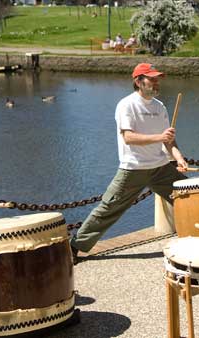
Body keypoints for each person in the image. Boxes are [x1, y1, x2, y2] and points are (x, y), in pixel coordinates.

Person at [70, 63, 189, 259]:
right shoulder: (127, 105)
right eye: (152, 79)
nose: (156, 82)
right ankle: (74, 248)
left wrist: (179, 158)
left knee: (190, 196)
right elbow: (129, 138)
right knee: (108, 209)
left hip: (160, 168)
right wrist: (160, 137)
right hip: (133, 168)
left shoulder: (160, 107)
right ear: (138, 81)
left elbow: (169, 141)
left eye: (157, 79)